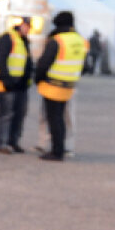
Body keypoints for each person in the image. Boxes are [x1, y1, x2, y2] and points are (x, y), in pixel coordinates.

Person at [34, 11, 88, 161]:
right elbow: (84, 66)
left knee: (54, 119)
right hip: (69, 86)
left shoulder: (57, 40)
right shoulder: (80, 40)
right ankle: (62, 148)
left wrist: (38, 79)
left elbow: (43, 63)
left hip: (52, 85)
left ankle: (56, 151)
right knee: (62, 119)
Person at [0, 17, 33, 153]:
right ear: (19, 25)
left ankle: (13, 141)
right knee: (6, 113)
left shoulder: (23, 41)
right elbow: (1, 59)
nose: (27, 29)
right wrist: (6, 79)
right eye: (25, 26)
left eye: (29, 27)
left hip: (20, 84)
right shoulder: (8, 38)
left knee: (20, 113)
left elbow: (25, 62)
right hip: (6, 82)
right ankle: (2, 143)